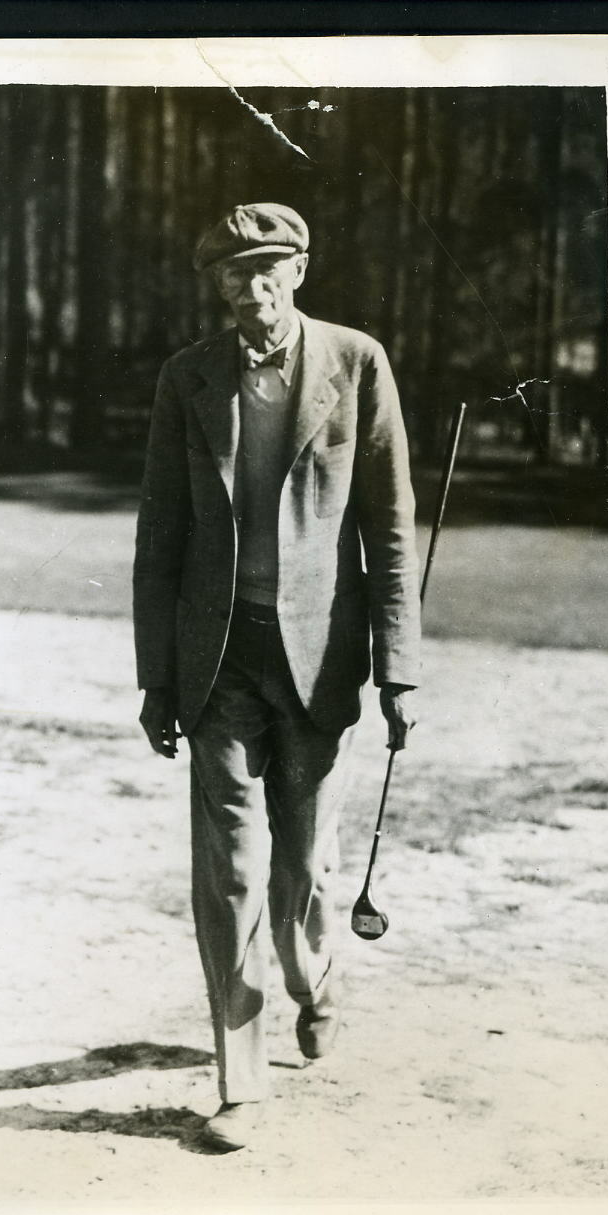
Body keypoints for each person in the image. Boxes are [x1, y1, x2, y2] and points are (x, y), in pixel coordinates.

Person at [133, 202, 421, 1151]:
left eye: (267, 271)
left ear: (299, 270)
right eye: (231, 275)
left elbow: (386, 525)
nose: (250, 290)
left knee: (300, 871)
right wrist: (156, 676)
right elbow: (160, 534)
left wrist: (398, 670)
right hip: (216, 661)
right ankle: (240, 1081)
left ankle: (314, 975)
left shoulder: (355, 361)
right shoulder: (189, 376)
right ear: (215, 285)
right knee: (232, 871)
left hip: (321, 662)